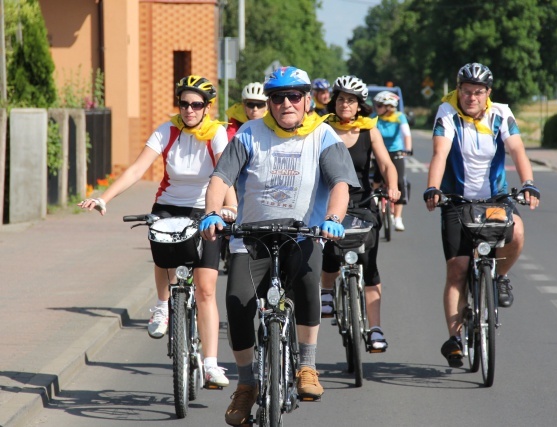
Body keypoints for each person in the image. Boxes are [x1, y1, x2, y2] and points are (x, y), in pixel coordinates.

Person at [199, 66, 359, 426]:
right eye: (277, 97)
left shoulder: (323, 134)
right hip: (251, 236)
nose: (286, 103)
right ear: (269, 103)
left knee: (306, 284)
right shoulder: (249, 133)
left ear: (306, 100)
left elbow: (340, 185)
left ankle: (307, 365)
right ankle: (245, 387)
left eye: (293, 96)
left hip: (302, 233)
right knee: (238, 303)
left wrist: (333, 218)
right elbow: (221, 177)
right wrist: (211, 213)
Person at [78, 75, 238, 388]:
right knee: (162, 253)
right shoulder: (167, 131)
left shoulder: (216, 134)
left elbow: (225, 175)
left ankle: (210, 364)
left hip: (205, 210)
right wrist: (103, 198)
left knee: (206, 288)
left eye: (196, 105)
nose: (189, 110)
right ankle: (162, 307)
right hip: (168, 206)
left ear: (207, 108)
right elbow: (138, 169)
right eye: (184, 103)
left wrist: (228, 209)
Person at [423, 62, 540, 368]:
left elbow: (517, 150)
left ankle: (499, 277)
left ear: (488, 93)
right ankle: (455, 339)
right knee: (458, 270)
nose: (471, 97)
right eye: (466, 91)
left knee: (517, 231)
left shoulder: (501, 113)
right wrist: (433, 188)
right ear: (457, 90)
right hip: (456, 200)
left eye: (478, 92)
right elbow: (439, 153)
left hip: (494, 199)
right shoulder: (447, 112)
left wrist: (528, 183)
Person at [320, 75, 400, 351]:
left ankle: (375, 328)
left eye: (351, 101)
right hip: (330, 201)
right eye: (341, 99)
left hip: (363, 201)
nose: (345, 104)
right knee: (330, 248)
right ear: (334, 101)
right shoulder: (322, 128)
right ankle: (327, 292)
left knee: (368, 262)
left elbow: (387, 164)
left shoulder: (369, 130)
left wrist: (392, 186)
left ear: (359, 106)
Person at [373, 90, 413, 231]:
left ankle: (397, 218)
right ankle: (374, 202)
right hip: (379, 151)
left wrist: (407, 149)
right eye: (376, 105)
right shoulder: (374, 118)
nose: (376, 107)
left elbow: (406, 133)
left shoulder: (399, 117)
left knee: (400, 182)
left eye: (379, 105)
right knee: (376, 177)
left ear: (388, 106)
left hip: (396, 151)